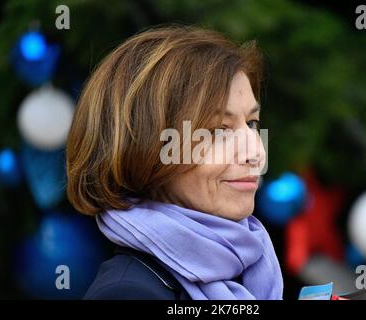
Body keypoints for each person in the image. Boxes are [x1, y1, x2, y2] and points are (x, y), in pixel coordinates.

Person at [66, 25, 283, 300]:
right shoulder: (127, 294)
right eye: (218, 131)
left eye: (252, 123)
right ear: (147, 148)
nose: (255, 152)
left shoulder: (245, 268)